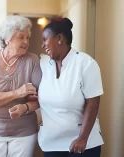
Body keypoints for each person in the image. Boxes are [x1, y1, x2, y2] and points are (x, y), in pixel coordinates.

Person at [0, 15, 42, 157]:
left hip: (24, 131)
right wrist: (18, 93)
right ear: (7, 39)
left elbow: (39, 97)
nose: (26, 42)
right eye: (21, 37)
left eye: (28, 37)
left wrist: (25, 107)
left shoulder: (33, 60)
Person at [38, 17, 104, 157]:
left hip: (82, 144)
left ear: (59, 38)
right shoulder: (44, 63)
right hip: (51, 143)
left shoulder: (85, 63)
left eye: (45, 39)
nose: (42, 45)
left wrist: (82, 138)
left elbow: (93, 103)